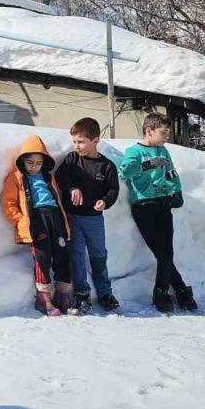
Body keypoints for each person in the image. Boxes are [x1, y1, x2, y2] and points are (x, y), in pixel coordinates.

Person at [118, 113, 198, 312]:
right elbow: (124, 172)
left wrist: (176, 192)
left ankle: (170, 291)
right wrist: (147, 165)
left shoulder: (163, 151)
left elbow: (171, 172)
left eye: (167, 133)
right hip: (144, 204)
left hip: (163, 203)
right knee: (162, 253)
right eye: (163, 133)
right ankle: (172, 291)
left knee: (167, 252)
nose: (166, 137)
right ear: (149, 131)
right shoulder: (134, 151)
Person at [1, 135, 75, 316]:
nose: (34, 167)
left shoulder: (48, 177)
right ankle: (44, 299)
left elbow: (58, 197)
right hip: (36, 220)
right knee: (42, 258)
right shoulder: (16, 177)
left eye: (39, 163)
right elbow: (8, 203)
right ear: (22, 161)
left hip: (55, 217)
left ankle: (63, 297)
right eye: (30, 162)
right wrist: (20, 220)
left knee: (62, 255)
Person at [55, 118, 120, 314]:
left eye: (81, 142)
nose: (77, 146)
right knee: (76, 255)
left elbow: (113, 190)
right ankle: (82, 294)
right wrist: (72, 187)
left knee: (98, 255)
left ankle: (105, 293)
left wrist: (105, 201)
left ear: (95, 140)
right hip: (72, 217)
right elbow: (60, 176)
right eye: (74, 142)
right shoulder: (72, 159)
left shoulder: (106, 166)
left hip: (94, 219)